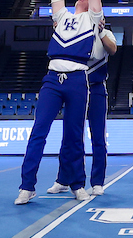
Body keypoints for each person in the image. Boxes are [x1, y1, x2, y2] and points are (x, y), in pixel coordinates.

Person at [17, 0, 103, 204]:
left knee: (74, 134)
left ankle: (77, 184)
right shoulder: (61, 16)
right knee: (39, 131)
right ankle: (27, 186)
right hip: (53, 78)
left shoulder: (92, 19)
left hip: (78, 78)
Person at [48, 23, 117, 196]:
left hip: (95, 88)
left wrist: (100, 31)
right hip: (75, 86)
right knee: (70, 135)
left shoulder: (106, 32)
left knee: (98, 137)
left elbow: (113, 49)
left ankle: (97, 182)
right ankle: (63, 179)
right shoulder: (75, 31)